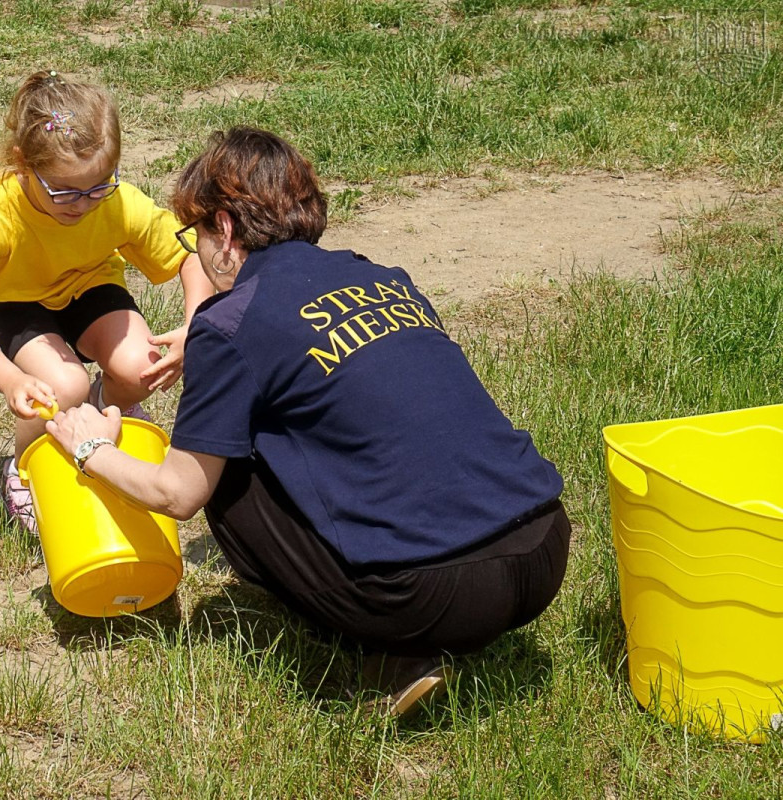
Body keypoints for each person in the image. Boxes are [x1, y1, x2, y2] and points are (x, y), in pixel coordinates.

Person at [45, 127, 571, 719]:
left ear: (223, 228)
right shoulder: (383, 277)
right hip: (544, 548)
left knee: (227, 468)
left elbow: (178, 493)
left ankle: (391, 657)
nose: (195, 253)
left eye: (193, 235)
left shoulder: (230, 321)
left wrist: (89, 445)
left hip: (432, 596)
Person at [0, 70, 209, 533]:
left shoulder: (117, 202)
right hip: (16, 305)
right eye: (64, 191)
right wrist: (11, 380)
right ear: (24, 164)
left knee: (142, 366)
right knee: (60, 388)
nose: (83, 204)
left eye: (99, 185)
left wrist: (194, 326)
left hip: (89, 289)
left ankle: (106, 407)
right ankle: (25, 470)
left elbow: (192, 259)